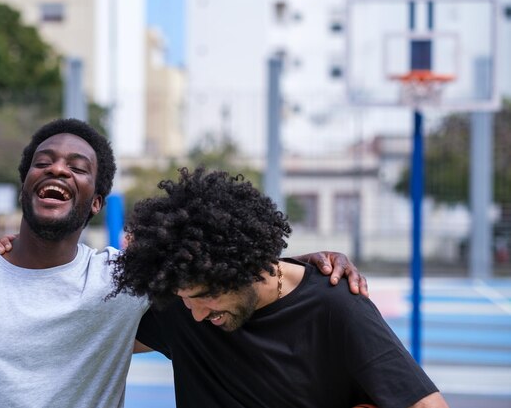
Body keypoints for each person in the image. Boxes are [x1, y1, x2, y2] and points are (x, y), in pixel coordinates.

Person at [0, 118, 366, 408]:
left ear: (95, 202)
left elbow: (223, 272)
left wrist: (294, 265)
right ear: (26, 183)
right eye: (44, 161)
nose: (57, 169)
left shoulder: (123, 282)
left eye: (77, 167)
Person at [109, 167, 450, 408]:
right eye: (185, 300)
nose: (196, 314)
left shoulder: (336, 305)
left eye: (205, 297)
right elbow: (92, 337)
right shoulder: (183, 305)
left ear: (250, 266)